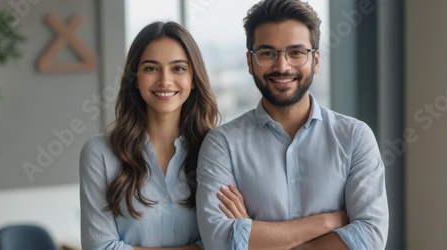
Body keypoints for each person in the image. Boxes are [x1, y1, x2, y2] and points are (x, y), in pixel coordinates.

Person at [195, 0, 389, 249]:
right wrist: (331, 221)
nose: (282, 66)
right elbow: (220, 242)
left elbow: (370, 238)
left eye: (296, 52)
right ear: (249, 61)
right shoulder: (222, 145)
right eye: (267, 53)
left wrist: (252, 235)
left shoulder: (355, 137)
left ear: (316, 60)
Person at [80, 21, 219, 250]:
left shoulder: (217, 150)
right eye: (151, 68)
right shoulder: (99, 154)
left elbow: (226, 242)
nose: (164, 80)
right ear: (135, 79)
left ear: (193, 79)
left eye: (178, 68)